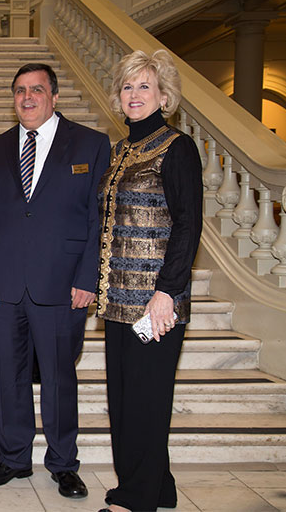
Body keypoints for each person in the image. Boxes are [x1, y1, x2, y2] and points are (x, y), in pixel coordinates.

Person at [0, 64, 110, 497]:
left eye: (36, 90)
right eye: (19, 91)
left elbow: (97, 218)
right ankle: (12, 458)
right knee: (7, 377)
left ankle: (64, 463)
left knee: (59, 378)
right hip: (2, 286)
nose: (27, 98)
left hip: (63, 285)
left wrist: (89, 277)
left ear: (54, 96)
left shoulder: (90, 143)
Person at [97, 50, 202, 512]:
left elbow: (188, 225)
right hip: (116, 301)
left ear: (164, 95)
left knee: (145, 403)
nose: (135, 95)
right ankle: (158, 488)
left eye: (144, 86)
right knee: (124, 403)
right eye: (128, 87)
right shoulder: (120, 151)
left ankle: (135, 499)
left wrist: (167, 293)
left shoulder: (178, 147)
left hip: (154, 303)